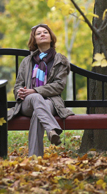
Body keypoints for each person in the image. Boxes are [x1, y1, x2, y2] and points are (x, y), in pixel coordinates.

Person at [7, 24, 74, 156]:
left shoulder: (60, 60)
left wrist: (35, 90)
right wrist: (20, 92)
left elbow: (59, 85)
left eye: (45, 32)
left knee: (39, 110)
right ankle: (51, 130)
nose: (42, 34)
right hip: (27, 102)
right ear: (34, 40)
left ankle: (34, 158)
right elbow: (18, 85)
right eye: (38, 33)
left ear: (51, 37)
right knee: (36, 98)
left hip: (51, 102)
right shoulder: (27, 61)